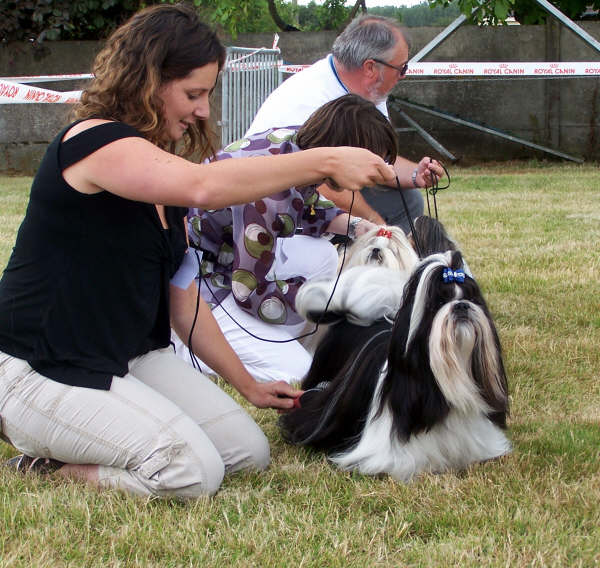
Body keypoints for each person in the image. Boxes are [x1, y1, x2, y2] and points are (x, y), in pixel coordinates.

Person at [0, 5, 395, 499]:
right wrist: (325, 157)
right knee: (190, 472)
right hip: (41, 366)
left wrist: (248, 384)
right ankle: (44, 464)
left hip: (131, 357)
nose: (204, 111)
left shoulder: (156, 167)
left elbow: (183, 301)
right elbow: (204, 186)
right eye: (193, 94)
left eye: (207, 94)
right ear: (147, 80)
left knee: (247, 455)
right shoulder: (94, 142)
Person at [173, 94, 397, 384]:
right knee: (301, 374)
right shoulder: (269, 195)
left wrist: (356, 227)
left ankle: (276, 338)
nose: (375, 176)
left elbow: (304, 204)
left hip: (231, 261)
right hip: (203, 286)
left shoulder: (295, 144)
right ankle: (185, 345)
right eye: (371, 163)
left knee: (323, 257)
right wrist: (325, 301)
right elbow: (248, 289)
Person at [246, 14, 445, 232]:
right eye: (402, 68)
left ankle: (391, 263)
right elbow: (320, 186)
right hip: (275, 204)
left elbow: (378, 159)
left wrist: (417, 174)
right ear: (370, 68)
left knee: (409, 200)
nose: (403, 75)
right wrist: (377, 225)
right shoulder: (309, 99)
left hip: (312, 190)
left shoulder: (371, 91)